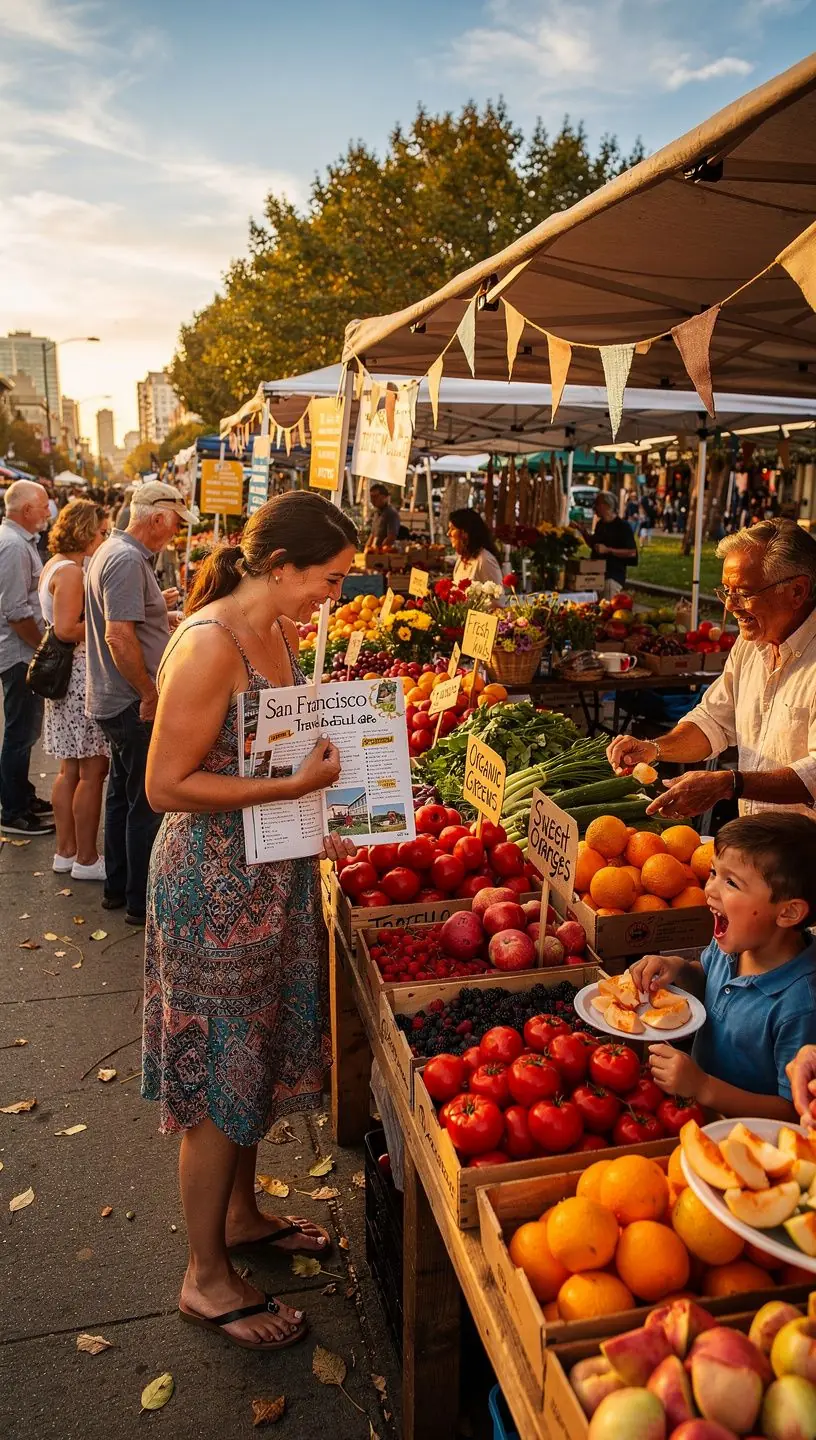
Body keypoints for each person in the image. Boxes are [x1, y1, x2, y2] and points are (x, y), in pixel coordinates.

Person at [142, 490, 358, 1351]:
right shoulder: (210, 644)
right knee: (215, 1080)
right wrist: (293, 791)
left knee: (251, 1059)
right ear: (279, 566)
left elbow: (267, 754)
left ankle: (239, 1218)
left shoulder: (278, 632)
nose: (333, 596)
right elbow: (166, 785)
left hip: (267, 876)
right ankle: (205, 1278)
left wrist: (323, 812)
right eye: (328, 579)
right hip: (212, 889)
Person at [607, 519, 816, 819]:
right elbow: (714, 721)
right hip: (758, 837)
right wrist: (654, 748)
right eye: (726, 591)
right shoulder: (751, 645)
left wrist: (729, 784)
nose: (730, 605)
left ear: (797, 591)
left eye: (744, 593)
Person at [632, 814, 816, 1120]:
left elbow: (792, 1111)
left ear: (788, 913)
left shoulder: (801, 1006)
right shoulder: (732, 944)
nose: (710, 889)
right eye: (713, 872)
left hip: (743, 1138)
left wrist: (703, 1086)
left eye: (731, 882)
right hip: (693, 1115)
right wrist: (677, 968)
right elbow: (707, 979)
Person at [84, 480, 190, 924]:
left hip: (114, 696)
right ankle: (140, 902)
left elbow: (125, 622)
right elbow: (118, 636)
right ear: (158, 518)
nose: (177, 531)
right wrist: (149, 692)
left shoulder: (116, 552)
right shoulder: (127, 559)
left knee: (122, 794)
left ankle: (117, 887)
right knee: (145, 802)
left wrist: (159, 615)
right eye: (177, 522)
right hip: (129, 700)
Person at [39, 500, 111, 879]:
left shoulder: (57, 565)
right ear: (84, 531)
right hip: (80, 678)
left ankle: (65, 852)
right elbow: (67, 629)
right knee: (91, 772)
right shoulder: (69, 572)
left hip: (69, 679)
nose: (104, 538)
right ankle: (86, 858)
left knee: (70, 770)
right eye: (101, 531)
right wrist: (109, 622)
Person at [0, 479, 55, 836]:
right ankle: (13, 810)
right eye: (44, 505)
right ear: (26, 510)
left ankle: (21, 795)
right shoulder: (14, 546)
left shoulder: (21, 542)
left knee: (24, 733)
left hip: (22, 652)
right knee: (20, 734)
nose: (48, 511)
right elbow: (16, 611)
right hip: (20, 654)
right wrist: (42, 648)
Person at [584, 492, 638, 600]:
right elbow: (594, 545)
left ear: (606, 506)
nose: (595, 507)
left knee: (607, 606)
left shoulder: (623, 526)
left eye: (597, 504)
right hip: (596, 574)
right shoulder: (600, 524)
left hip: (612, 576)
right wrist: (582, 531)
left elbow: (632, 552)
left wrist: (608, 550)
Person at [447, 507, 504, 587]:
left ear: (465, 532)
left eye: (452, 529)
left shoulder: (484, 560)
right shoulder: (462, 559)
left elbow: (498, 593)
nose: (448, 533)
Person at [364, 483, 400, 550]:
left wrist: (378, 551)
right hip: (373, 552)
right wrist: (366, 548)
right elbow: (372, 534)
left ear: (384, 497)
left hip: (383, 553)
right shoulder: (376, 512)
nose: (373, 500)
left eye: (375, 497)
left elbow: (391, 537)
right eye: (371, 497)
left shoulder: (391, 513)